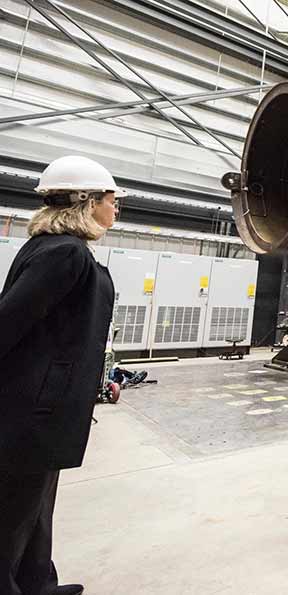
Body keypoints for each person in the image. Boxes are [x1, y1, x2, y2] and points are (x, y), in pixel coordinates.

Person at [0, 156, 122, 595]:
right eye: (111, 200)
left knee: (37, 506)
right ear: (87, 202)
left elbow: (63, 333)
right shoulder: (64, 254)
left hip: (46, 402)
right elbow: (9, 324)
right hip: (33, 408)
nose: (115, 208)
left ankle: (37, 583)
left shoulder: (55, 248)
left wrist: (99, 377)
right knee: (14, 513)